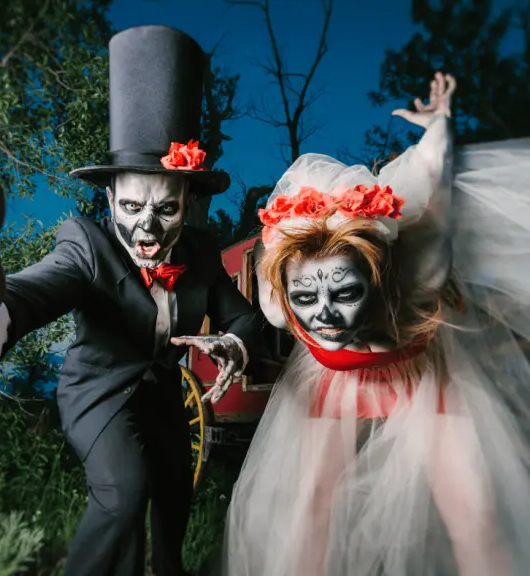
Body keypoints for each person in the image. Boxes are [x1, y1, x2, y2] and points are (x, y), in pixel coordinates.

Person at [0, 26, 261, 576]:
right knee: (124, 492)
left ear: (187, 201)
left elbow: (242, 316)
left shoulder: (203, 252)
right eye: (132, 205)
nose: (146, 229)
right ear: (110, 195)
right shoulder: (83, 245)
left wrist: (234, 343)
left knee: (173, 495)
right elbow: (34, 290)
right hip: (97, 393)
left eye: (165, 210)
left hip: (163, 397)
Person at [219, 72, 530, 575]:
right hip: (331, 381)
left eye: (344, 293)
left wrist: (439, 127)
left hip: (422, 373)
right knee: (307, 512)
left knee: (475, 510)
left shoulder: (419, 275)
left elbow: (433, 172)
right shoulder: (279, 301)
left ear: (379, 279)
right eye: (305, 296)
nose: (323, 313)